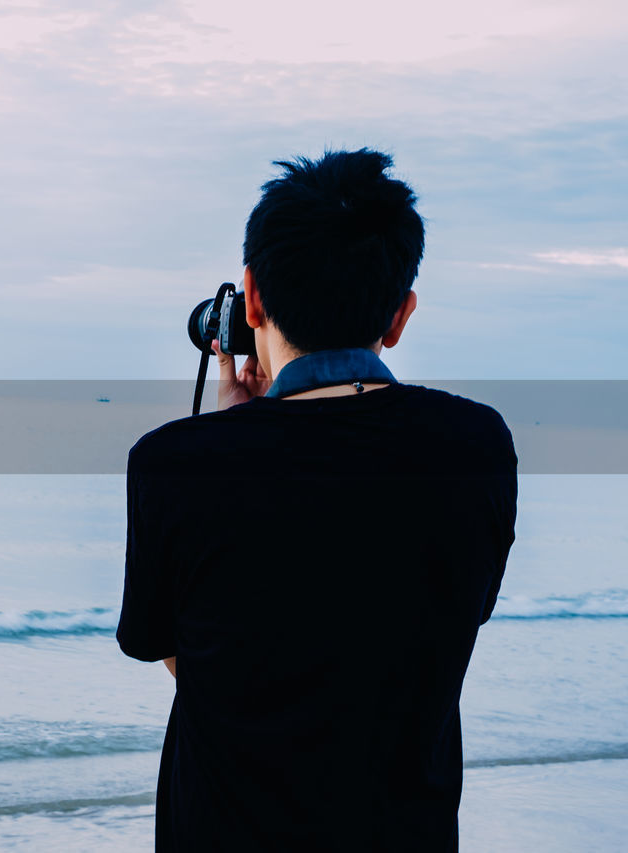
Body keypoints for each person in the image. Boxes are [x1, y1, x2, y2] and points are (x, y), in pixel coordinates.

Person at [117, 149, 517, 851]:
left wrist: (228, 439)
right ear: (399, 315)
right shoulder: (476, 447)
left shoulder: (173, 465)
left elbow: (190, 662)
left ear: (255, 297)